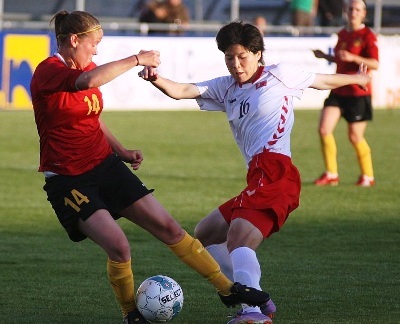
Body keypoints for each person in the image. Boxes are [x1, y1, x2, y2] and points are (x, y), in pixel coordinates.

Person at [30, 11, 270, 324]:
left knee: (169, 228)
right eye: (94, 44)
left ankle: (227, 289)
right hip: (70, 179)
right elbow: (89, 81)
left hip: (105, 165)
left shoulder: (86, 66)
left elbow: (92, 118)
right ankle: (131, 314)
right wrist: (136, 58)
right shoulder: (49, 71)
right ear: (74, 40)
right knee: (119, 246)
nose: (96, 51)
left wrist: (122, 151)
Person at [139, 21, 371, 324]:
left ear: (258, 53)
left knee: (238, 238)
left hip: (275, 170)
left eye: (242, 57)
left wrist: (357, 78)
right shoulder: (226, 87)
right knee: (206, 233)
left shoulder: (281, 75)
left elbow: (322, 80)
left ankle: (252, 311)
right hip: (258, 174)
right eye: (229, 58)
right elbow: (182, 90)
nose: (236, 65)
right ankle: (256, 295)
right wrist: (155, 78)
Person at [312, 0, 379, 187]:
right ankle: (331, 174)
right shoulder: (342, 34)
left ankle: (368, 176)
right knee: (324, 129)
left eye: (358, 9)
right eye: (350, 8)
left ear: (364, 13)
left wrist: (354, 57)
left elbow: (375, 64)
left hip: (358, 93)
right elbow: (341, 60)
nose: (353, 12)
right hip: (338, 90)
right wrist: (325, 57)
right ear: (345, 11)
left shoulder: (367, 35)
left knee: (355, 136)